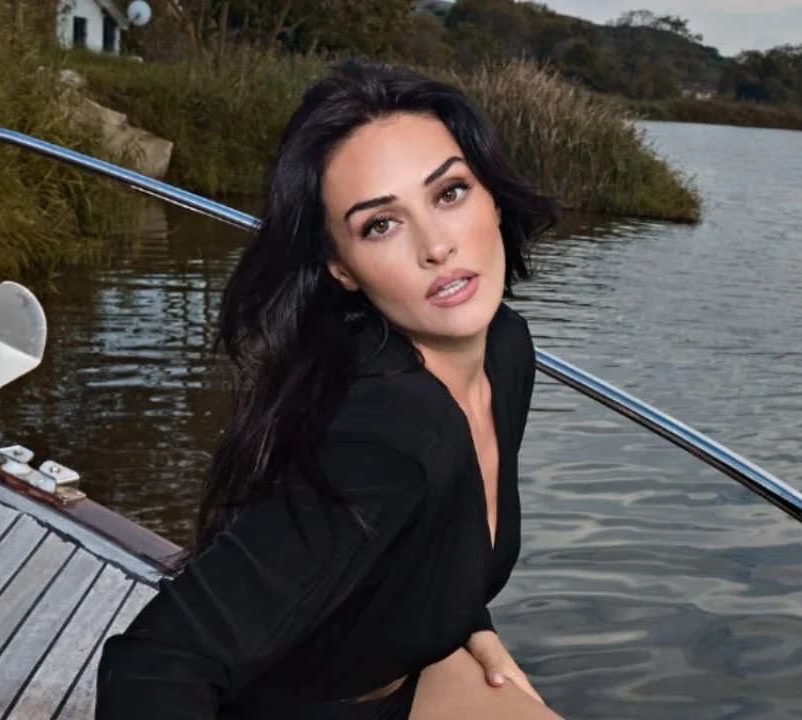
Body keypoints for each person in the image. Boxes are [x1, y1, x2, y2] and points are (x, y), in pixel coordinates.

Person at [95, 58, 563, 720]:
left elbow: (433, 535)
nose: (436, 246)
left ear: (491, 194)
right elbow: (155, 662)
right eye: (381, 224)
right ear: (341, 267)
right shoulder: (390, 435)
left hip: (409, 676)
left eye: (449, 192)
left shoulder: (507, 351)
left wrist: (468, 622)